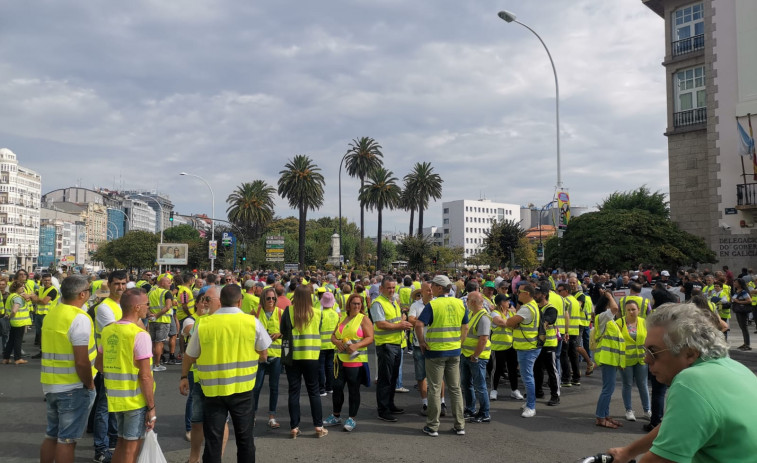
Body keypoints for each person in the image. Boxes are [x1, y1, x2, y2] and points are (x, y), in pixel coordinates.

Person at [609, 303, 757, 462]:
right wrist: (629, 452)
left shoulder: (691, 381)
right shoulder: (736, 368)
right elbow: (676, 425)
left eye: (653, 352)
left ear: (690, 353)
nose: (646, 359)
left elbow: (660, 460)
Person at [180, 284, 270, 462]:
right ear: (240, 301)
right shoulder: (251, 322)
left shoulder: (205, 323)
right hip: (243, 390)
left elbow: (190, 356)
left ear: (220, 301)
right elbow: (264, 354)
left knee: (213, 440)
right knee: (245, 439)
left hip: (213, 391)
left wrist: (184, 377)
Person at [39, 275, 97, 463]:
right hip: (72, 387)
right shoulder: (80, 318)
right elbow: (81, 361)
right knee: (67, 440)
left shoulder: (52, 314)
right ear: (82, 294)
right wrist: (89, 384)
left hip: (50, 384)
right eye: (88, 290)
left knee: (51, 435)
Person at [96, 288, 155, 463]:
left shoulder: (108, 330)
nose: (148, 308)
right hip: (135, 398)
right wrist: (151, 407)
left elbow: (98, 364)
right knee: (131, 448)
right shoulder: (140, 335)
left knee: (121, 442)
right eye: (146, 304)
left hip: (115, 396)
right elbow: (145, 376)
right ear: (137, 307)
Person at [414, 275, 468, 437]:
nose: (431, 290)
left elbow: (418, 324)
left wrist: (422, 342)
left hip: (435, 352)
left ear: (438, 288)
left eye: (433, 286)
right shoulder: (460, 303)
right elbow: (465, 327)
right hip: (454, 351)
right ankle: (460, 425)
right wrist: (460, 343)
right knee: (456, 389)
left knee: (435, 389)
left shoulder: (433, 304)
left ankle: (433, 426)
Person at [279, 285, 328, 438]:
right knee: (314, 392)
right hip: (311, 356)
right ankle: (318, 426)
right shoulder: (318, 313)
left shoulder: (289, 311)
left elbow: (282, 330)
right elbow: (318, 330)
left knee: (294, 392)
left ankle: (294, 427)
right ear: (310, 297)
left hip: (293, 357)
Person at [323, 293, 375, 432]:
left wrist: (356, 346)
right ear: (349, 305)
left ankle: (352, 418)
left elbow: (370, 338)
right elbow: (333, 336)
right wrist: (336, 341)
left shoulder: (364, 319)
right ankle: (336, 415)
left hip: (355, 360)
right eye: (354, 303)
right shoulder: (343, 318)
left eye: (359, 304)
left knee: (353, 390)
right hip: (339, 359)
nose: (357, 306)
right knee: (337, 388)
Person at [92, 270, 129, 463]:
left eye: (123, 283)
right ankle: (101, 448)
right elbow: (121, 332)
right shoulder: (104, 308)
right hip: (109, 363)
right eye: (117, 284)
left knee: (116, 406)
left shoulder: (125, 304)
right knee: (104, 408)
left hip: (125, 363)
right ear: (109, 284)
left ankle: (113, 442)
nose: (120, 287)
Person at [370, 277, 413, 422]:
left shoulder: (393, 301)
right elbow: (381, 324)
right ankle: (383, 410)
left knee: (393, 378)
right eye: (389, 288)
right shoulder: (378, 303)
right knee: (385, 379)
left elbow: (393, 320)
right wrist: (400, 325)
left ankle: (390, 404)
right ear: (381, 288)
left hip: (396, 344)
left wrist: (402, 321)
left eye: (393, 288)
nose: (392, 290)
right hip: (386, 345)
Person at [505, 283, 542, 418]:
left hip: (527, 347)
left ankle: (531, 406)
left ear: (527, 293)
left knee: (527, 378)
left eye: (519, 292)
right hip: (528, 346)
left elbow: (509, 323)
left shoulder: (526, 309)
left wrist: (513, 322)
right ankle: (529, 403)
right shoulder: (532, 306)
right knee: (528, 376)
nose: (517, 294)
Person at [252, 287, 284, 429]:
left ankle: (272, 417)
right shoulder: (256, 312)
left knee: (274, 387)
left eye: (274, 298)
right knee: (256, 387)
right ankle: (252, 416)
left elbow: (287, 331)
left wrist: (279, 334)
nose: (271, 301)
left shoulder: (280, 313)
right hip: (259, 356)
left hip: (275, 356)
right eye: (268, 298)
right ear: (263, 299)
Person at [593, 292, 625, 429]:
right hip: (607, 359)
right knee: (608, 389)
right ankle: (600, 417)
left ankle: (605, 415)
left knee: (608, 389)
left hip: (611, 359)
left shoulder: (608, 319)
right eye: (612, 301)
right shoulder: (603, 317)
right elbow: (615, 309)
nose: (614, 303)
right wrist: (609, 295)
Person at [459, 292, 491, 423]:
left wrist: (476, 355)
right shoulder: (472, 314)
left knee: (480, 386)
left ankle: (484, 412)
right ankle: (470, 409)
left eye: (467, 300)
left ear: (472, 302)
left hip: (477, 357)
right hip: (467, 354)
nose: (466, 302)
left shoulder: (483, 317)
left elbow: (483, 339)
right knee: (466, 384)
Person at [617, 300, 650, 422]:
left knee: (643, 385)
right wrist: (619, 361)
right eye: (628, 310)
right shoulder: (619, 323)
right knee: (627, 385)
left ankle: (647, 410)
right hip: (625, 360)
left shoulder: (644, 322)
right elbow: (616, 342)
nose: (631, 312)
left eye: (633, 309)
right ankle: (629, 410)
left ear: (639, 310)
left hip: (641, 359)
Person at [532, 282, 560, 406]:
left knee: (551, 371)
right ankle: (538, 391)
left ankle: (555, 395)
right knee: (537, 369)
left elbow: (548, 321)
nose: (535, 295)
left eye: (537, 293)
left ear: (544, 295)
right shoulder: (536, 307)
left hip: (549, 344)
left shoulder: (551, 309)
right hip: (538, 344)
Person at [147, 277, 173, 371]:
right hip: (163, 320)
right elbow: (168, 306)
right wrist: (157, 315)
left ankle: (152, 363)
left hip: (152, 321)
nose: (170, 284)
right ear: (162, 283)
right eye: (169, 283)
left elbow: (146, 306)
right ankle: (157, 365)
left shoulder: (150, 292)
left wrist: (151, 315)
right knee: (159, 343)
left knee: (153, 343)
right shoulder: (166, 293)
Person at [30, 273, 59, 358]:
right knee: (40, 334)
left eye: (48, 280)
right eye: (45, 280)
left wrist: (37, 299)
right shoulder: (41, 289)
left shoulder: (53, 290)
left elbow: (44, 301)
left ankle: (49, 352)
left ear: (51, 281)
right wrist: (37, 299)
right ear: (42, 280)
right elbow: (34, 300)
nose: (47, 282)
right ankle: (41, 351)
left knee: (47, 334)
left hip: (48, 315)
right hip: (39, 314)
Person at [2, 281, 30, 364]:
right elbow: (14, 310)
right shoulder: (17, 298)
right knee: (18, 340)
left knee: (11, 340)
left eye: (24, 286)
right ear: (16, 288)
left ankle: (6, 358)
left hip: (14, 322)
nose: (23, 288)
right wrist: (11, 316)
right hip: (19, 322)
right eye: (21, 287)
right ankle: (18, 358)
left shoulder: (11, 296)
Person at [318, 292, 340, 396]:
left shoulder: (320, 314)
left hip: (321, 344)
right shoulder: (336, 314)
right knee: (330, 366)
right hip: (332, 344)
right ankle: (330, 387)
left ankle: (321, 389)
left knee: (321, 367)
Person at [731, 278, 752, 350]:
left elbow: (749, 301)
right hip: (738, 311)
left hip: (742, 311)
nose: (734, 284)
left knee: (744, 327)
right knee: (742, 327)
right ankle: (745, 343)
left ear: (740, 284)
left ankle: (747, 344)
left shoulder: (744, 292)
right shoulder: (736, 291)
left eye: (736, 282)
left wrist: (738, 301)